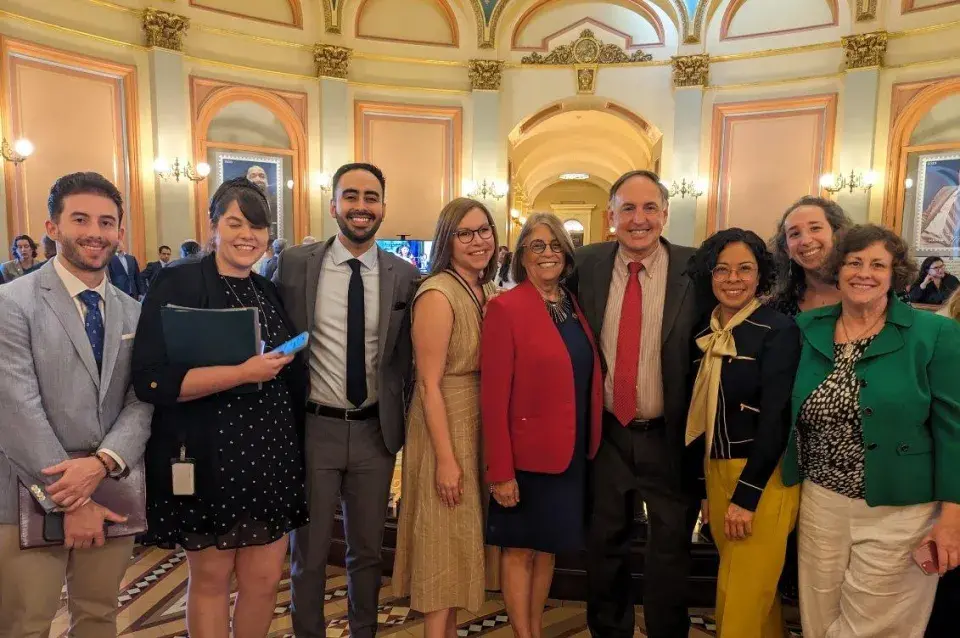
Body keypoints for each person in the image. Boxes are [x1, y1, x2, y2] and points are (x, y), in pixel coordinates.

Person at [132, 177, 308, 637]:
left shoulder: (266, 290)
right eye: (235, 223)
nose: (247, 235)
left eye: (257, 226)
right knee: (211, 579)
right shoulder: (180, 281)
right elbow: (152, 379)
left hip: (270, 457)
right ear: (213, 226)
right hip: (211, 455)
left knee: (265, 580)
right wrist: (241, 373)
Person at [781, 224, 960, 637]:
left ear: (895, 274)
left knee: (876, 628)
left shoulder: (933, 334)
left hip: (900, 510)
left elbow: (954, 430)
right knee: (819, 619)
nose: (865, 273)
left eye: (878, 264)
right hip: (820, 503)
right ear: (837, 270)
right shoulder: (808, 329)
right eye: (854, 262)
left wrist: (952, 514)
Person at [0, 171, 153, 637]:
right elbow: (15, 407)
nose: (95, 232)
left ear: (120, 233)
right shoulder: (12, 303)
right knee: (25, 623)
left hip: (111, 484)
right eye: (80, 219)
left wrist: (102, 463)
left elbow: (143, 398)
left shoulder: (133, 310)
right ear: (53, 228)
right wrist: (72, 499)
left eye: (107, 222)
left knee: (98, 616)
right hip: (27, 488)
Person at [273, 162, 420, 638]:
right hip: (315, 428)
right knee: (309, 553)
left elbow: (408, 356)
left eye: (371, 197)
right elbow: (278, 333)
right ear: (334, 203)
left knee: (367, 553)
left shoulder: (404, 275)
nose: (361, 206)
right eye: (351, 196)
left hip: (377, 434)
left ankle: (364, 633)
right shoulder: (297, 264)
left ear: (383, 206)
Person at [572, 169, 700, 638]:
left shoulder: (696, 269)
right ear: (610, 217)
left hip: (669, 436)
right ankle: (610, 631)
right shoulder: (585, 264)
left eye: (649, 208)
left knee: (670, 549)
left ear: (665, 214)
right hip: (606, 433)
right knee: (604, 545)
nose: (639, 219)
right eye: (627, 208)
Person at [481, 212, 602, 638]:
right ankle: (523, 633)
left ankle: (533, 630)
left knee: (547, 548)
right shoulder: (505, 308)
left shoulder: (572, 306)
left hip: (569, 456)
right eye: (537, 245)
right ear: (521, 256)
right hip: (525, 459)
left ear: (566, 257)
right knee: (519, 550)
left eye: (555, 246)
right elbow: (492, 399)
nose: (547, 253)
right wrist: (500, 472)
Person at [684, 228, 801, 637]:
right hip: (716, 471)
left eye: (744, 269)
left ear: (760, 275)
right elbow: (698, 416)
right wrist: (704, 489)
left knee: (738, 598)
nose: (733, 279)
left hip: (762, 477)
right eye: (722, 269)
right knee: (754, 597)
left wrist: (746, 496)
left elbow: (777, 419)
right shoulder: (705, 329)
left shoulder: (777, 329)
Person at [392, 197, 499, 636]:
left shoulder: (485, 289)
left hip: (476, 421)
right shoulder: (437, 292)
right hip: (445, 424)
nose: (478, 241)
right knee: (440, 541)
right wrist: (446, 459)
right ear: (447, 241)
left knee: (459, 544)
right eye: (466, 233)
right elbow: (428, 383)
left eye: (484, 230)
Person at [768, 196, 852, 316]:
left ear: (837, 235)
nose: (806, 241)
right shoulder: (777, 309)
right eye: (795, 234)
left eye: (815, 228)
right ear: (787, 249)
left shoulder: (866, 293)